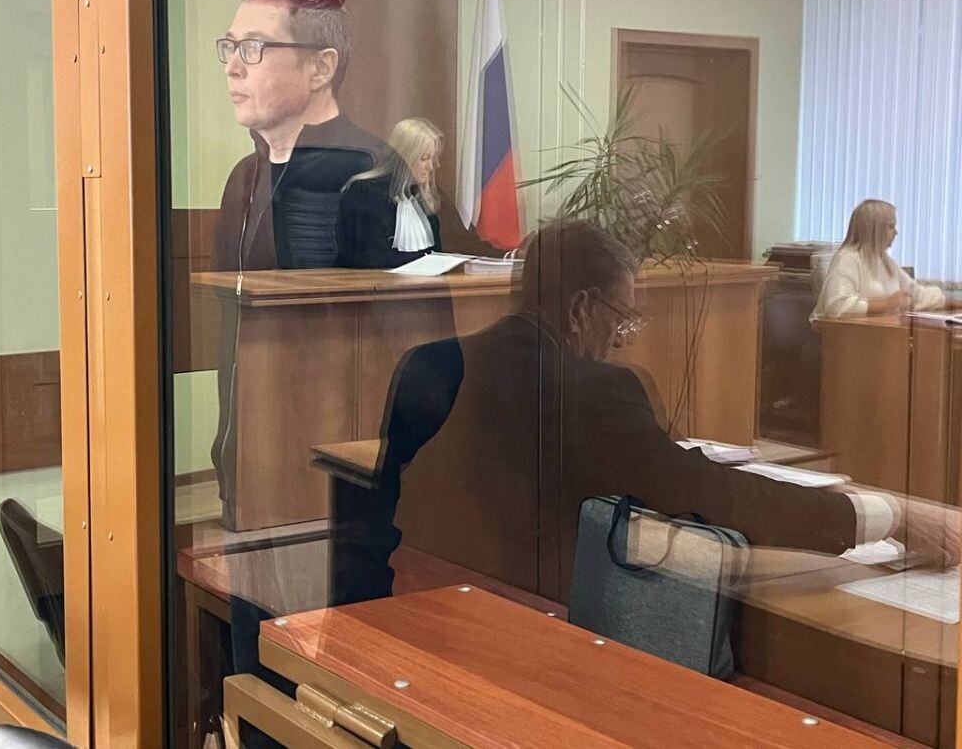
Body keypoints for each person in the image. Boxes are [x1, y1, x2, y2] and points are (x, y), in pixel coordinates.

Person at [330, 219, 956, 608]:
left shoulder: (429, 362)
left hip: (406, 603)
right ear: (581, 308)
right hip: (523, 630)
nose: (620, 340)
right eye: (620, 318)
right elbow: (716, 500)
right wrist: (888, 515)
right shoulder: (594, 390)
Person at [210, 0, 388, 272]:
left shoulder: (376, 172)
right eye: (231, 46)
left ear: (320, 68)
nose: (232, 68)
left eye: (253, 47)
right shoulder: (244, 176)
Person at [337, 117, 444, 268]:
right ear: (404, 158)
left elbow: (435, 255)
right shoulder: (364, 192)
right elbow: (367, 258)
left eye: (433, 159)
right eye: (424, 158)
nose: (431, 167)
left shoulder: (421, 200)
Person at [813, 198, 946, 319]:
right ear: (873, 229)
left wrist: (949, 301)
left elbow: (915, 294)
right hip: (850, 334)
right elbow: (838, 306)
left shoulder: (884, 260)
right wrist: (887, 304)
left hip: (881, 331)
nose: (896, 233)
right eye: (891, 226)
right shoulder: (847, 258)